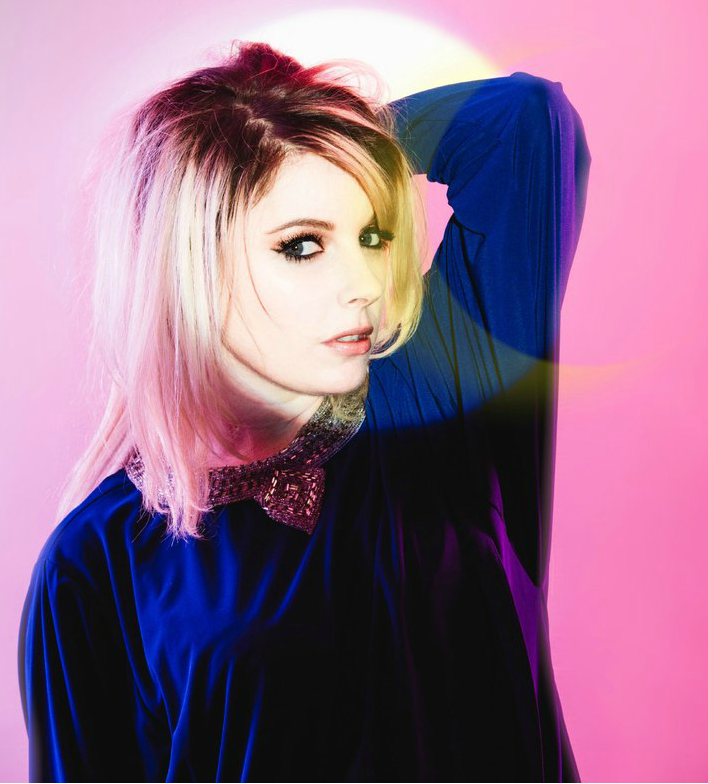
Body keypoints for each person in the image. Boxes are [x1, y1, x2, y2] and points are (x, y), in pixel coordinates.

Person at [17, 39, 591, 783]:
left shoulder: (437, 399)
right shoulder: (98, 559)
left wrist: (309, 129)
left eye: (372, 236)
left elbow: (524, 123)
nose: (366, 284)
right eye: (302, 245)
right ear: (189, 264)